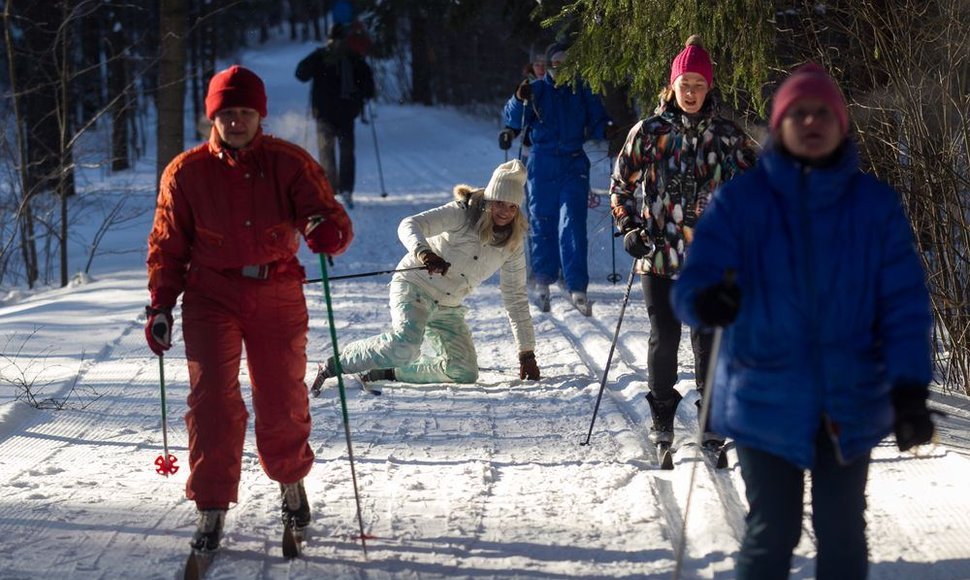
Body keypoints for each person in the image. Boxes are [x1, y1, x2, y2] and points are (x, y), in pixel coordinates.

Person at [671, 63, 936, 579]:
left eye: (822, 113)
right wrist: (708, 301)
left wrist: (908, 390)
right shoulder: (741, 203)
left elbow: (904, 306)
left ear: (841, 124)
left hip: (850, 398)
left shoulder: (874, 207)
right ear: (778, 124)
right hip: (762, 394)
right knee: (773, 530)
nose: (811, 122)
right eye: (798, 113)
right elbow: (690, 285)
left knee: (842, 533)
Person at [144, 65, 353, 552]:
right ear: (211, 117)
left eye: (244, 112)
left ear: (259, 114)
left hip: (275, 291)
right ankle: (211, 506)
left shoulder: (289, 162)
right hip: (209, 294)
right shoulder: (185, 172)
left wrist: (327, 231)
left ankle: (291, 482)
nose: (236, 121)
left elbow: (328, 214)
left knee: (281, 398)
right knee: (212, 402)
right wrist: (160, 305)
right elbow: (166, 246)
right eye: (226, 113)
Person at [609, 35, 757, 448]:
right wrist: (630, 228)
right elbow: (620, 186)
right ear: (671, 86)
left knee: (709, 339)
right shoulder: (648, 132)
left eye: (699, 85)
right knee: (665, 337)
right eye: (684, 84)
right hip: (658, 255)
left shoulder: (727, 137)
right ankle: (662, 414)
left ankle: (711, 418)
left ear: (709, 89)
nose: (691, 93)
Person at [314, 159, 541, 386]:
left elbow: (515, 296)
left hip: (448, 306)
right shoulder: (462, 213)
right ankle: (337, 363)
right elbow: (409, 224)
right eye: (500, 203)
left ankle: (387, 371)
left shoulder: (512, 242)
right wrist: (425, 253)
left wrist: (526, 352)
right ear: (490, 199)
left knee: (464, 373)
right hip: (415, 287)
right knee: (405, 346)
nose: (505, 212)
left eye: (512, 206)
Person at [503, 42, 615, 316]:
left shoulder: (581, 90)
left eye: (566, 62)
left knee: (573, 223)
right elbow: (513, 118)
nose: (560, 67)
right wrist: (519, 99)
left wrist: (607, 129)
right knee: (542, 220)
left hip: (573, 162)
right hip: (542, 163)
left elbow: (598, 118)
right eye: (556, 62)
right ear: (550, 65)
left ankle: (577, 284)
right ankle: (543, 278)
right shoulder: (537, 89)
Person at [295, 22, 376, 209]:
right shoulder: (354, 58)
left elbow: (300, 74)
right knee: (347, 151)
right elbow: (369, 86)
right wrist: (360, 98)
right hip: (346, 112)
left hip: (323, 113)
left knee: (326, 151)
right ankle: (347, 189)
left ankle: (330, 190)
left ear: (329, 36)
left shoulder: (320, 55)